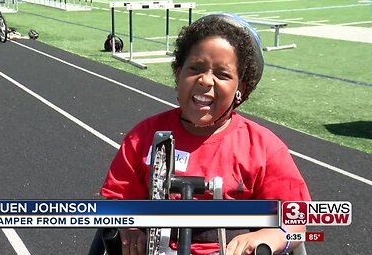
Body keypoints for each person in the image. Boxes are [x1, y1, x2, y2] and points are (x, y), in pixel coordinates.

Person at [100, 13, 311, 255]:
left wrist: (270, 236)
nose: (205, 81)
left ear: (241, 89)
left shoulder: (264, 148)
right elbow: (118, 202)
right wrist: (128, 227)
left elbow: (297, 218)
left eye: (222, 74)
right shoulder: (143, 137)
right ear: (178, 75)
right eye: (195, 69)